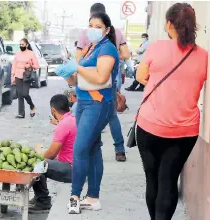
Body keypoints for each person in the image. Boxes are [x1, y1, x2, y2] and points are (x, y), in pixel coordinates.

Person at [135, 3, 207, 220]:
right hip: (184, 131)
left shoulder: (156, 48)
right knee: (169, 180)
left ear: (168, 24)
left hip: (150, 126)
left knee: (153, 180)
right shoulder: (204, 56)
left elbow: (140, 77)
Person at [56, 12, 119, 214]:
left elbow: (101, 77)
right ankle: (93, 198)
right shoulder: (90, 48)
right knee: (91, 149)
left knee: (79, 149)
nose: (92, 29)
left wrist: (77, 67)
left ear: (107, 30)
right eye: (90, 25)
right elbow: (77, 80)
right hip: (83, 101)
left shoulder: (107, 48)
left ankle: (74, 196)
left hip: (98, 103)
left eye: (97, 26)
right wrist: (68, 75)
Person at [76, 2, 127, 162]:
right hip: (111, 78)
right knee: (111, 115)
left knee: (92, 114)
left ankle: (92, 148)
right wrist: (110, 59)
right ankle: (119, 149)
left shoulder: (85, 34)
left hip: (91, 82)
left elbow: (78, 59)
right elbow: (126, 53)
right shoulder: (117, 32)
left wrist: (100, 58)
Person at [29, 94, 76, 212]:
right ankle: (40, 198)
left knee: (37, 164)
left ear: (53, 110)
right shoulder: (72, 118)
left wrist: (37, 157)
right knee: (42, 161)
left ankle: (43, 201)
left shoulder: (63, 125)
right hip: (79, 165)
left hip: (72, 169)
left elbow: (52, 153)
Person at [11, 38, 39, 119]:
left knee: (25, 94)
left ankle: (32, 106)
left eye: (22, 45)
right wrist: (12, 76)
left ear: (27, 45)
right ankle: (21, 113)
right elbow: (14, 66)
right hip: (17, 75)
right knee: (20, 94)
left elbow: (37, 65)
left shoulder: (31, 54)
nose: (21, 46)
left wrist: (30, 65)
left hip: (26, 76)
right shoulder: (17, 54)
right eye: (20, 45)